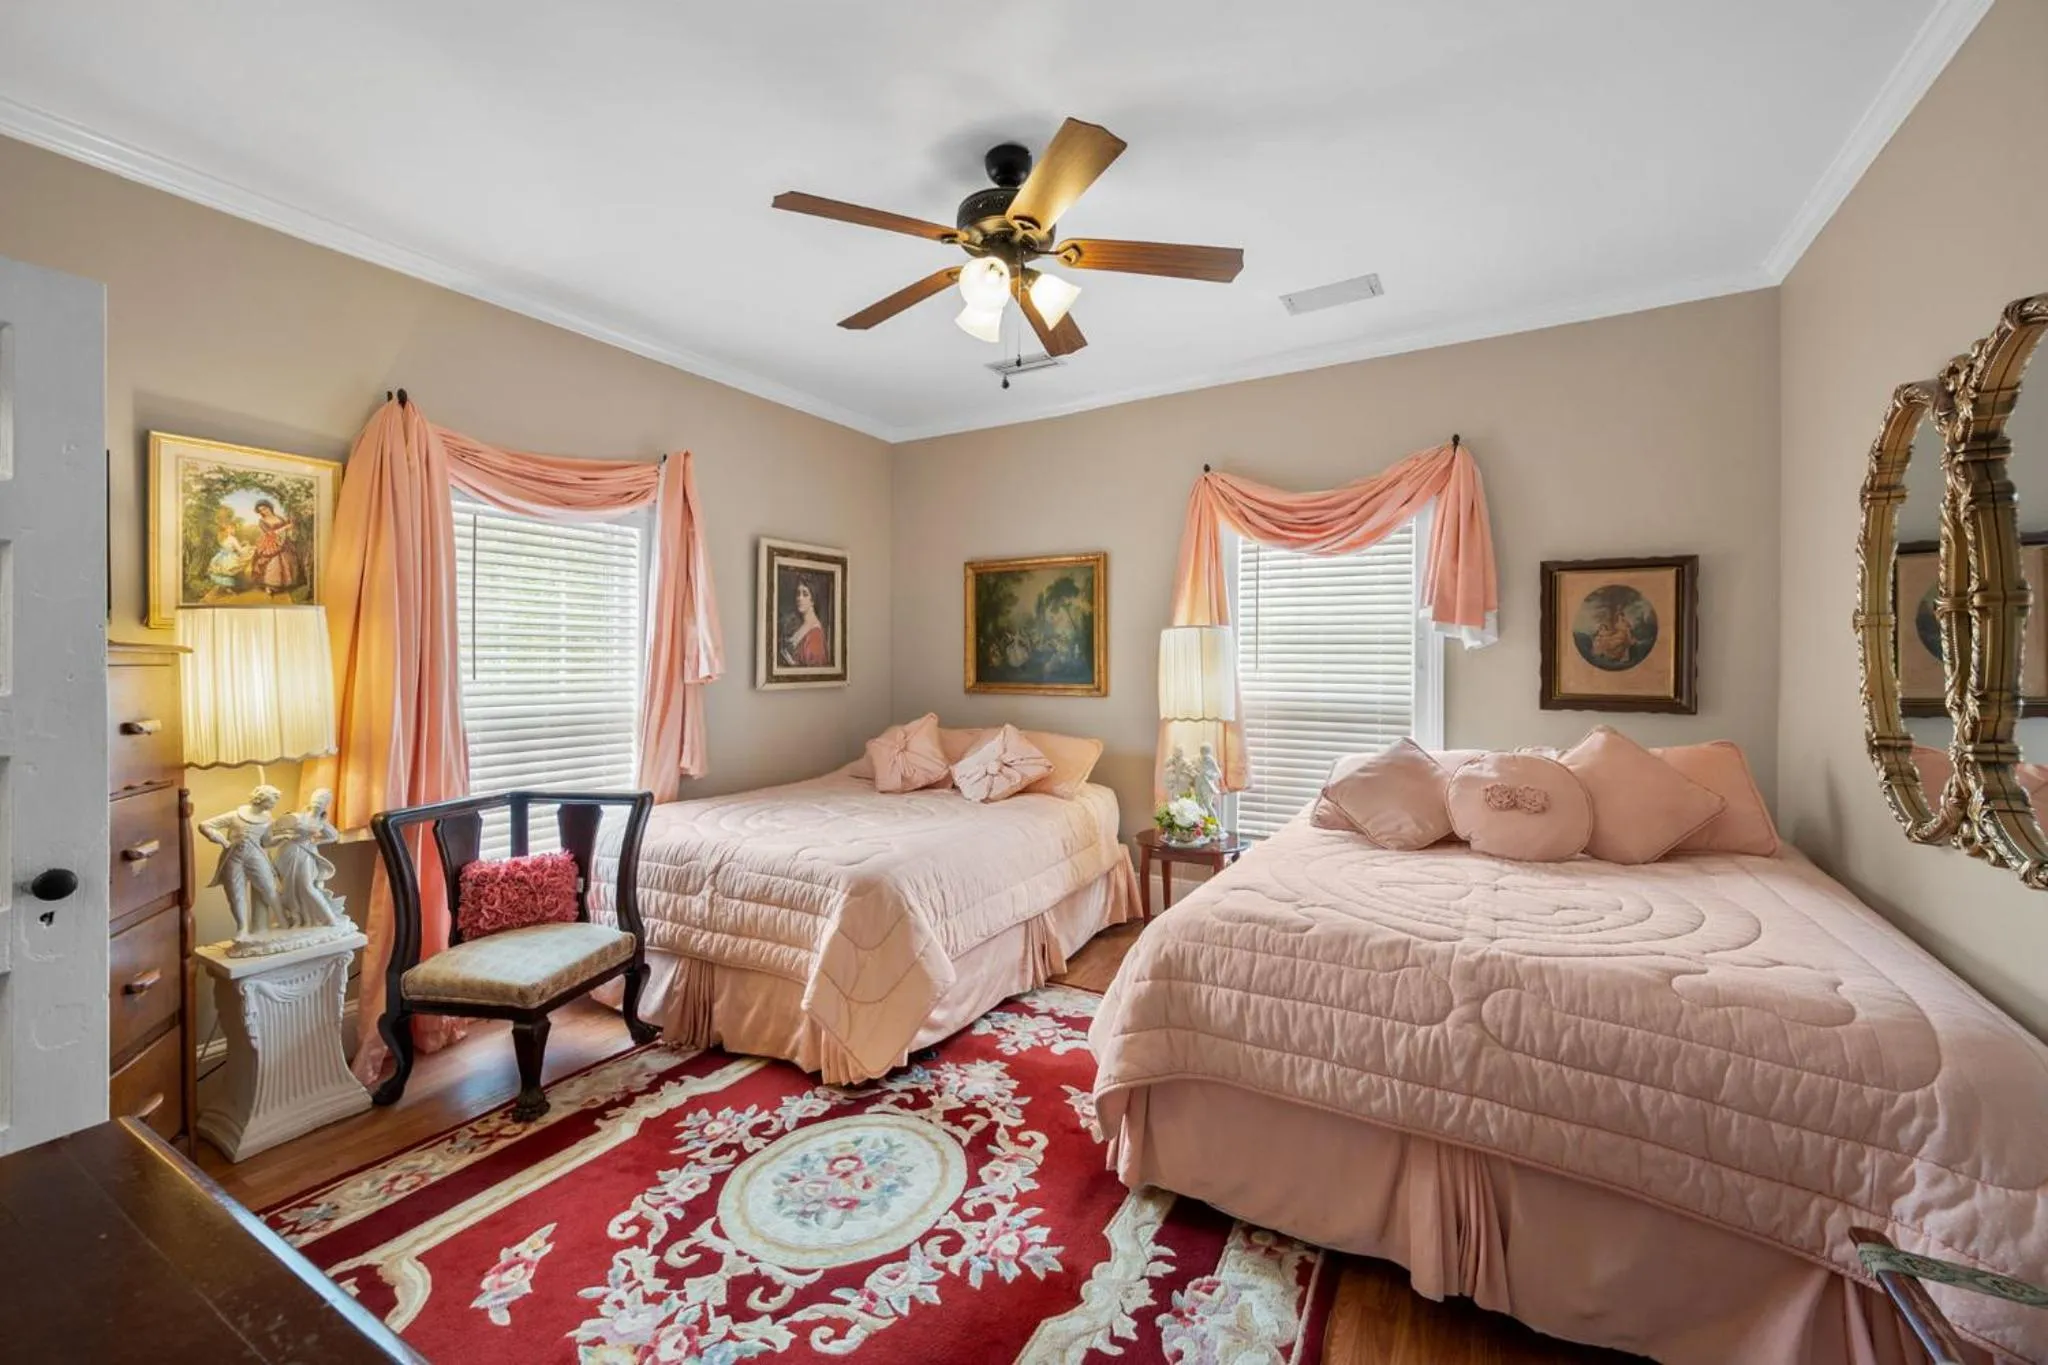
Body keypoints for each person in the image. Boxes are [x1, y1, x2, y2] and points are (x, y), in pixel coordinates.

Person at [200, 785, 284, 944]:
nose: (275, 804)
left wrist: (283, 837)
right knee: (236, 895)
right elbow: (205, 825)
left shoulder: (268, 820)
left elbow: (266, 842)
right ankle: (242, 928)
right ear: (262, 798)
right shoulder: (235, 816)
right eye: (273, 800)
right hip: (234, 858)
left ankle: (284, 922)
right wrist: (223, 841)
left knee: (269, 889)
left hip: (256, 857)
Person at [266, 788, 346, 929]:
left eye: (321, 800)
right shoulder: (297, 816)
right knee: (289, 888)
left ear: (326, 804)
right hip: (288, 852)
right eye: (316, 798)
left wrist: (316, 841)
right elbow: (277, 829)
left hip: (306, 853)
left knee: (307, 887)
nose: (317, 802)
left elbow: (333, 836)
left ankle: (329, 918)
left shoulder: (321, 822)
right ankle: (298, 918)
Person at [249, 498, 304, 596]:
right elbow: (270, 534)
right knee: (273, 563)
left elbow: (288, 527)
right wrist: (285, 528)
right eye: (261, 510)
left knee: (288, 561)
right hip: (271, 543)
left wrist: (289, 527)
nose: (263, 511)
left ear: (269, 507)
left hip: (284, 542)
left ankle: (285, 584)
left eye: (265, 508)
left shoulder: (279, 517)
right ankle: (270, 586)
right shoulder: (262, 521)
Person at [780, 578, 831, 667]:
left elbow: (815, 675)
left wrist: (792, 664)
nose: (799, 598)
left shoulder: (815, 635)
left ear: (813, 600)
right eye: (798, 593)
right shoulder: (802, 625)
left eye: (805, 594)